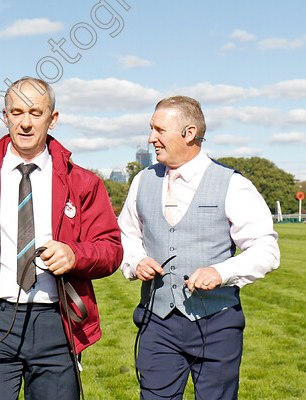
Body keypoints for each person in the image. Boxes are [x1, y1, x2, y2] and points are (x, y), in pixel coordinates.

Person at [0, 77, 122, 400]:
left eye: (35, 112)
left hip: (57, 323)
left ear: (53, 118)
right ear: (5, 116)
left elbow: (112, 250)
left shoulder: (83, 182)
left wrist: (75, 255)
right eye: (17, 112)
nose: (26, 122)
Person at [117, 96, 280, 400]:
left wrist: (222, 271)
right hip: (157, 323)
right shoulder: (142, 181)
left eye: (159, 130)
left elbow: (266, 248)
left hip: (217, 325)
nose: (151, 138)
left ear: (188, 133)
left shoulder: (232, 183)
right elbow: (125, 235)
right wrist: (135, 260)